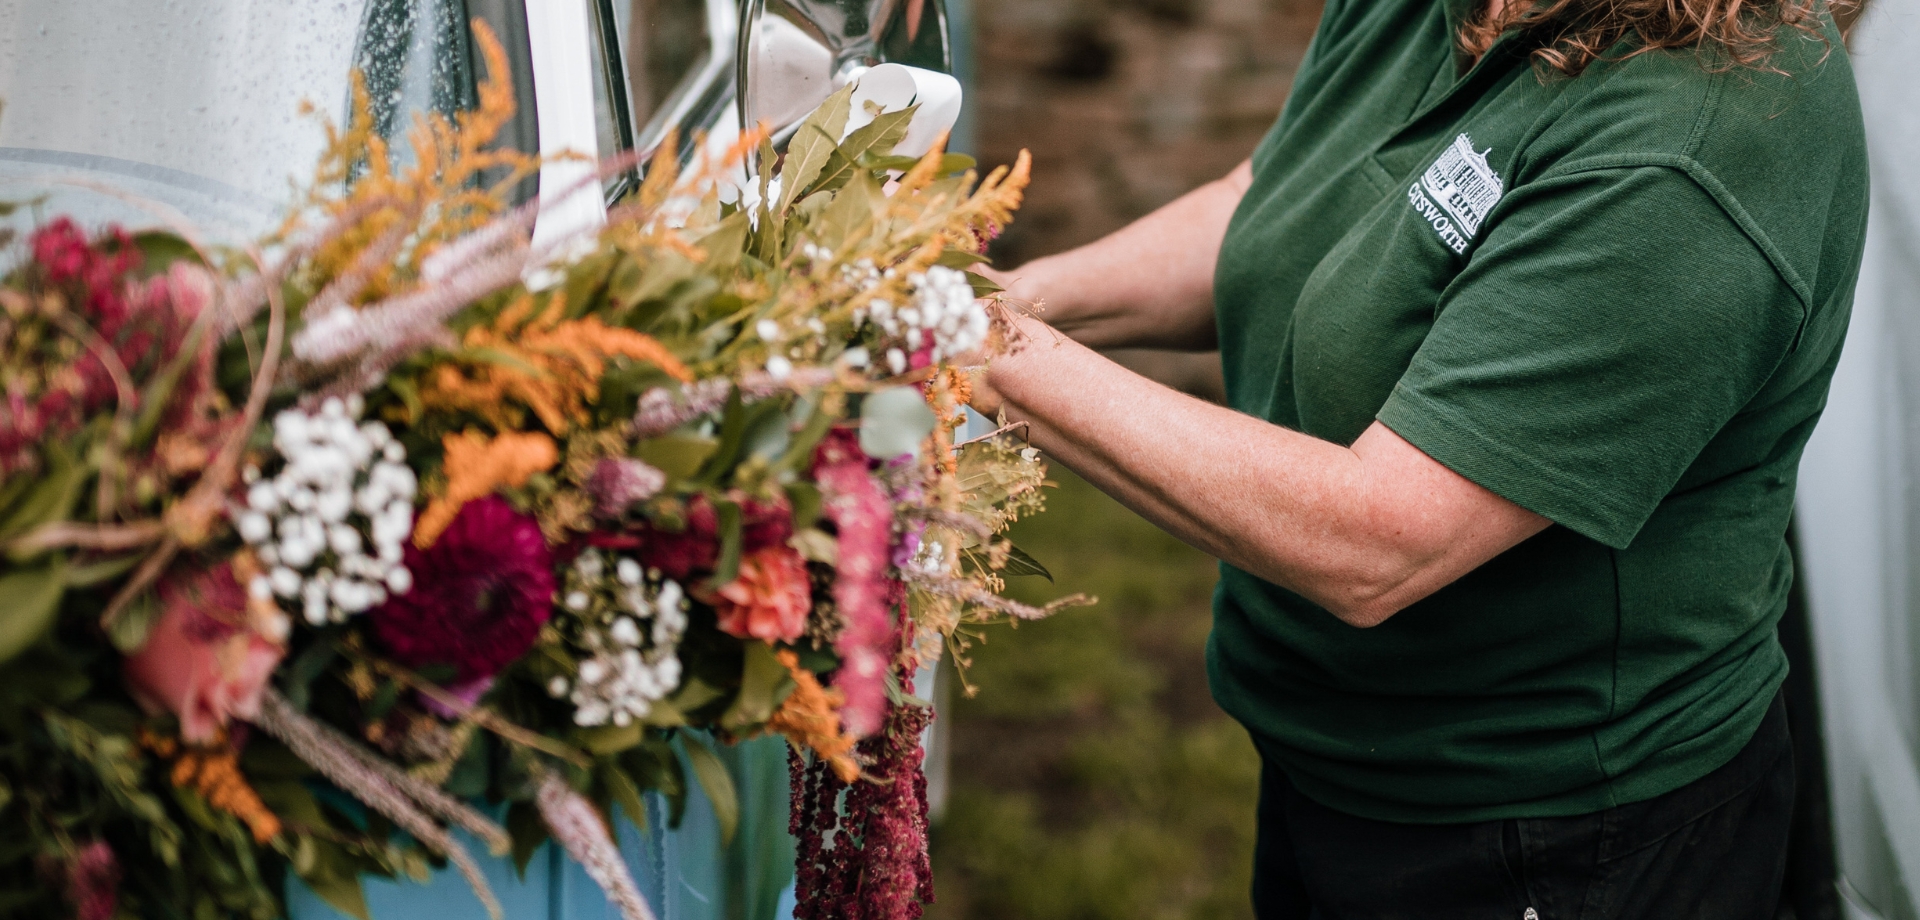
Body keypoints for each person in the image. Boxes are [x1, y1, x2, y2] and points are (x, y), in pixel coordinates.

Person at [965, 0, 1869, 916]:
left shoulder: (1690, 145)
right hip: (1335, 756)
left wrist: (968, 347)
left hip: (1554, 830)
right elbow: (1278, 197)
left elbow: (1378, 538)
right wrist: (1003, 294)